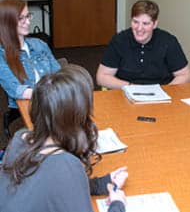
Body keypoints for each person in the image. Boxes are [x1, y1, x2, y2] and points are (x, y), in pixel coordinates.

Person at [0, 64, 128, 212]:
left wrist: (103, 182)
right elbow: (62, 179)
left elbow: (56, 185)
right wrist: (117, 204)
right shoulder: (65, 165)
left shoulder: (20, 137)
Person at [96, 0, 190, 88]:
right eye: (135, 22)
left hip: (161, 92)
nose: (139, 28)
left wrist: (164, 91)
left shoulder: (168, 41)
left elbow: (185, 76)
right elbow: (102, 77)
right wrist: (131, 87)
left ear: (154, 24)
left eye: (145, 24)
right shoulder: (119, 40)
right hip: (126, 90)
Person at [0, 0, 60, 108]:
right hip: (29, 105)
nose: (28, 22)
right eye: (21, 18)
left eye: (28, 16)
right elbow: (17, 90)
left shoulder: (39, 44)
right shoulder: (2, 54)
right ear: (7, 22)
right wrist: (52, 94)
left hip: (53, 100)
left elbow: (59, 74)